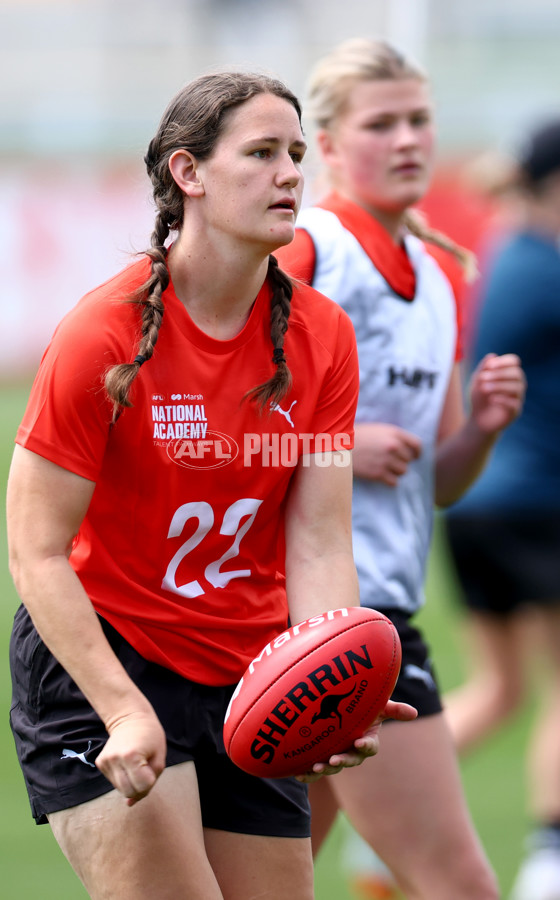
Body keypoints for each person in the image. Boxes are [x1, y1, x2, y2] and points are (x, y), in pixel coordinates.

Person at [6, 71, 416, 900]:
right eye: (262, 153)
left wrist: (330, 682)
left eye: (297, 154)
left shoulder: (324, 335)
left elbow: (319, 536)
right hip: (106, 663)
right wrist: (121, 708)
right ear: (188, 174)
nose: (291, 174)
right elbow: (37, 549)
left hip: (248, 672)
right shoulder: (104, 333)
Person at [275, 37, 525, 900]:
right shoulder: (307, 252)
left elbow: (438, 483)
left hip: (374, 605)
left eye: (420, 119)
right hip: (310, 621)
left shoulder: (440, 273)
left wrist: (483, 432)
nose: (410, 138)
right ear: (332, 148)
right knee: (460, 884)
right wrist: (338, 445)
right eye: (382, 123)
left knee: (273, 887)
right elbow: (224, 431)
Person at [443, 117, 560, 900]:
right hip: (536, 506)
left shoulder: (509, 252)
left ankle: (375, 815)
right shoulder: (544, 266)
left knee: (500, 689)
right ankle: (550, 867)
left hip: (476, 505)